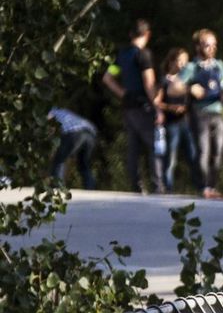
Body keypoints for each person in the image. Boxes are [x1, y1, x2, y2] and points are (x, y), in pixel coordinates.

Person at [101, 18, 164, 194]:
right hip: (143, 105)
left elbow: (107, 78)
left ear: (131, 34)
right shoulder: (143, 54)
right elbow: (149, 83)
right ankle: (157, 186)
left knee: (133, 147)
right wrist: (157, 107)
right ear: (147, 34)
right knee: (153, 146)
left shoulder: (121, 54)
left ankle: (136, 185)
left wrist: (123, 93)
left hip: (128, 105)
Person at [179, 28, 223, 199]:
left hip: (217, 112)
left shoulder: (220, 65)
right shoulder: (192, 67)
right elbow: (174, 87)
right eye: (207, 45)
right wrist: (190, 88)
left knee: (218, 150)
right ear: (198, 47)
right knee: (203, 150)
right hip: (200, 112)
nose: (211, 48)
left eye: (214, 45)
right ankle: (203, 186)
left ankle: (212, 185)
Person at [155, 48, 200, 193]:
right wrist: (170, 107)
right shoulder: (164, 81)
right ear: (171, 61)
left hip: (186, 122)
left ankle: (200, 187)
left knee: (193, 155)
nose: (182, 65)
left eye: (185, 62)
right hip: (171, 123)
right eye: (179, 61)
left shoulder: (186, 80)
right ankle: (168, 188)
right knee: (171, 158)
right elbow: (157, 101)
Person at [48, 107, 97, 189]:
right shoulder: (63, 111)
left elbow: (50, 125)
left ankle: (56, 188)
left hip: (73, 133)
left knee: (59, 160)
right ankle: (90, 189)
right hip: (90, 134)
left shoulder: (49, 112)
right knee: (83, 164)